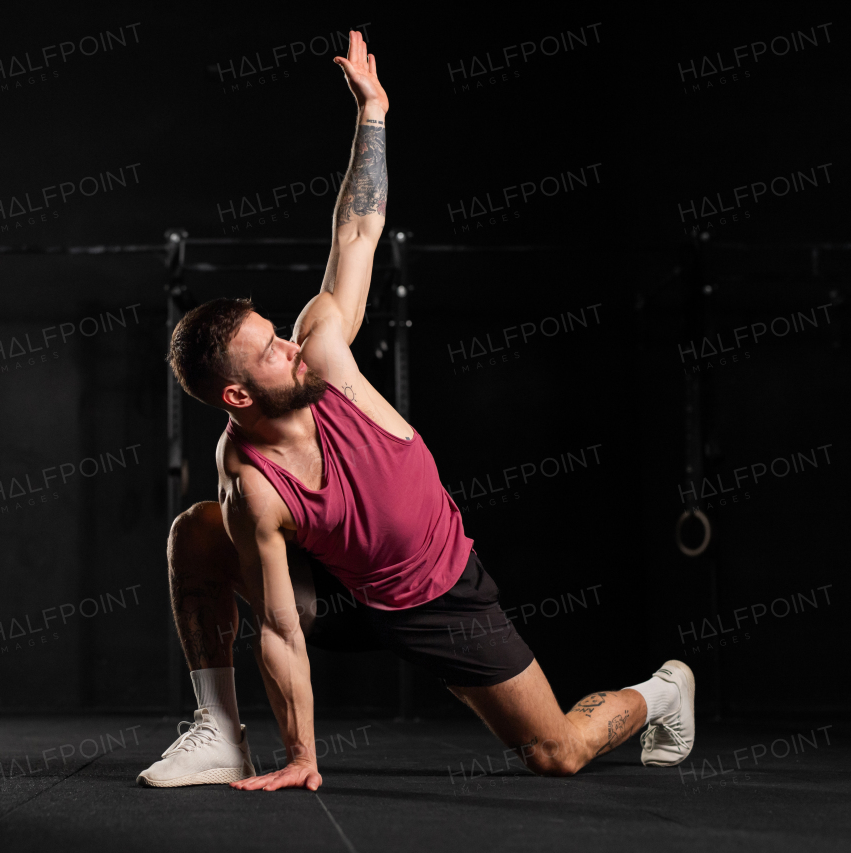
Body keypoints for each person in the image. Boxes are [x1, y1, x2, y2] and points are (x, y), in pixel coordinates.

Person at [137, 30, 693, 791]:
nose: (289, 348)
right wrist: (302, 755)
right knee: (196, 532)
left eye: (278, 334)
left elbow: (356, 231)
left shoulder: (325, 354)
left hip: (440, 594)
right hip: (343, 594)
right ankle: (220, 734)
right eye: (268, 351)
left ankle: (664, 689)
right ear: (236, 397)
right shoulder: (250, 478)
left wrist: (373, 115)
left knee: (556, 750)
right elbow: (279, 625)